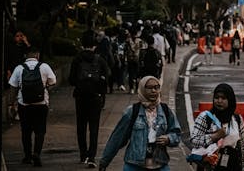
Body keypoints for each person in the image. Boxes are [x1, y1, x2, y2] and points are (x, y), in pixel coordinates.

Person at [98, 75, 180, 171]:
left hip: (160, 164)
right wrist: (104, 162)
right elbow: (117, 139)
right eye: (149, 88)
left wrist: (169, 139)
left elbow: (176, 134)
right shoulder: (132, 111)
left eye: (156, 87)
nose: (153, 91)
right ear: (142, 89)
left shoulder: (165, 110)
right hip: (134, 165)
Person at [8, 45, 57, 167]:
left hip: (24, 104)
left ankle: (27, 156)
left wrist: (11, 104)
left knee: (26, 131)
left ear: (25, 56)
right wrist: (45, 89)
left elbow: (13, 88)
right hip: (41, 104)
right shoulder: (44, 67)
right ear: (37, 55)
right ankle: (37, 153)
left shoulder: (19, 68)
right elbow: (53, 81)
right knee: (40, 130)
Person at [69, 31, 111, 167]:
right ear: (94, 45)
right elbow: (108, 75)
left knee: (81, 127)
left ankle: (83, 155)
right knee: (94, 127)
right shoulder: (99, 60)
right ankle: (92, 157)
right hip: (95, 97)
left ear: (82, 45)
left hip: (80, 97)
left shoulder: (77, 59)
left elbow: (71, 80)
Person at [190, 83, 244, 171]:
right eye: (217, 97)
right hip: (211, 165)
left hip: (232, 164)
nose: (219, 101)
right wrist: (214, 136)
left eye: (223, 98)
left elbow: (242, 144)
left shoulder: (237, 119)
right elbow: (194, 140)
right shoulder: (205, 117)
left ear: (230, 100)